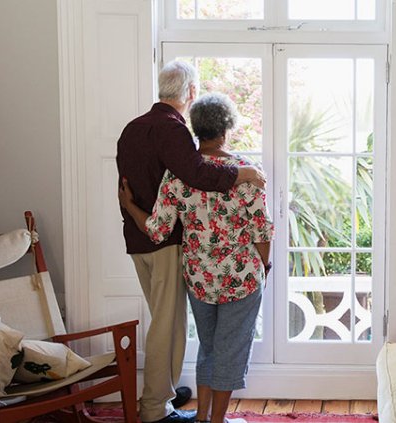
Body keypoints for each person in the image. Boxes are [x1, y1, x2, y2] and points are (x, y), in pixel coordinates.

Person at [116, 61, 265, 423]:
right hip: (209, 264)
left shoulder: (137, 135)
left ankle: (187, 410)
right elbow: (259, 227)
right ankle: (179, 414)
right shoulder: (178, 135)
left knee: (194, 339)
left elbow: (156, 215)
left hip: (171, 257)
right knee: (199, 338)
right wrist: (243, 172)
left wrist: (130, 208)